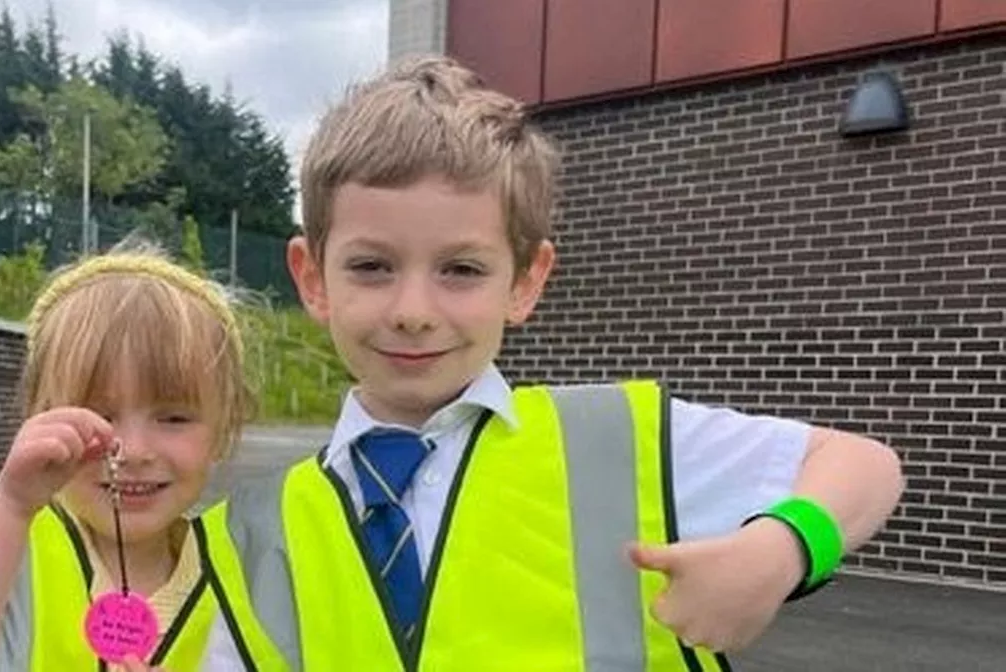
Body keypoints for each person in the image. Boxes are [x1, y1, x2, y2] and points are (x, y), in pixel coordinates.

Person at [186, 55, 906, 671]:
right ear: (312, 277)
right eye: (372, 266)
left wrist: (781, 548)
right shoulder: (257, 525)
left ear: (526, 281)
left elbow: (864, 466)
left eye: (461, 270)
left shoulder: (617, 443)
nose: (413, 308)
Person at [0, 244, 252, 672]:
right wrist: (10, 508)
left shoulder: (256, 578)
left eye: (175, 418)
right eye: (99, 415)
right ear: (38, 412)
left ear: (225, 427)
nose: (135, 451)